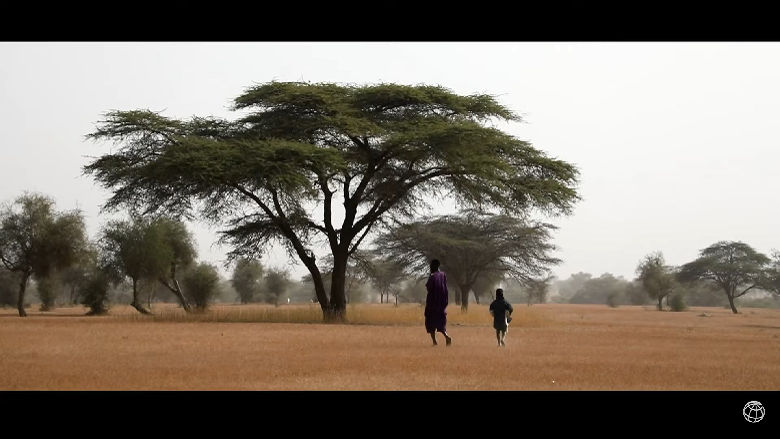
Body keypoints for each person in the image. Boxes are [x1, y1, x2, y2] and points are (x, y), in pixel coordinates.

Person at [425, 259, 452, 346]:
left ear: (434, 266)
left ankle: (434, 341)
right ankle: (446, 336)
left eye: (431, 265)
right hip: (441, 303)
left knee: (430, 321)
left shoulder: (433, 276)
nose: (430, 267)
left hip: (432, 303)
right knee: (440, 321)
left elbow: (428, 287)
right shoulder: (443, 275)